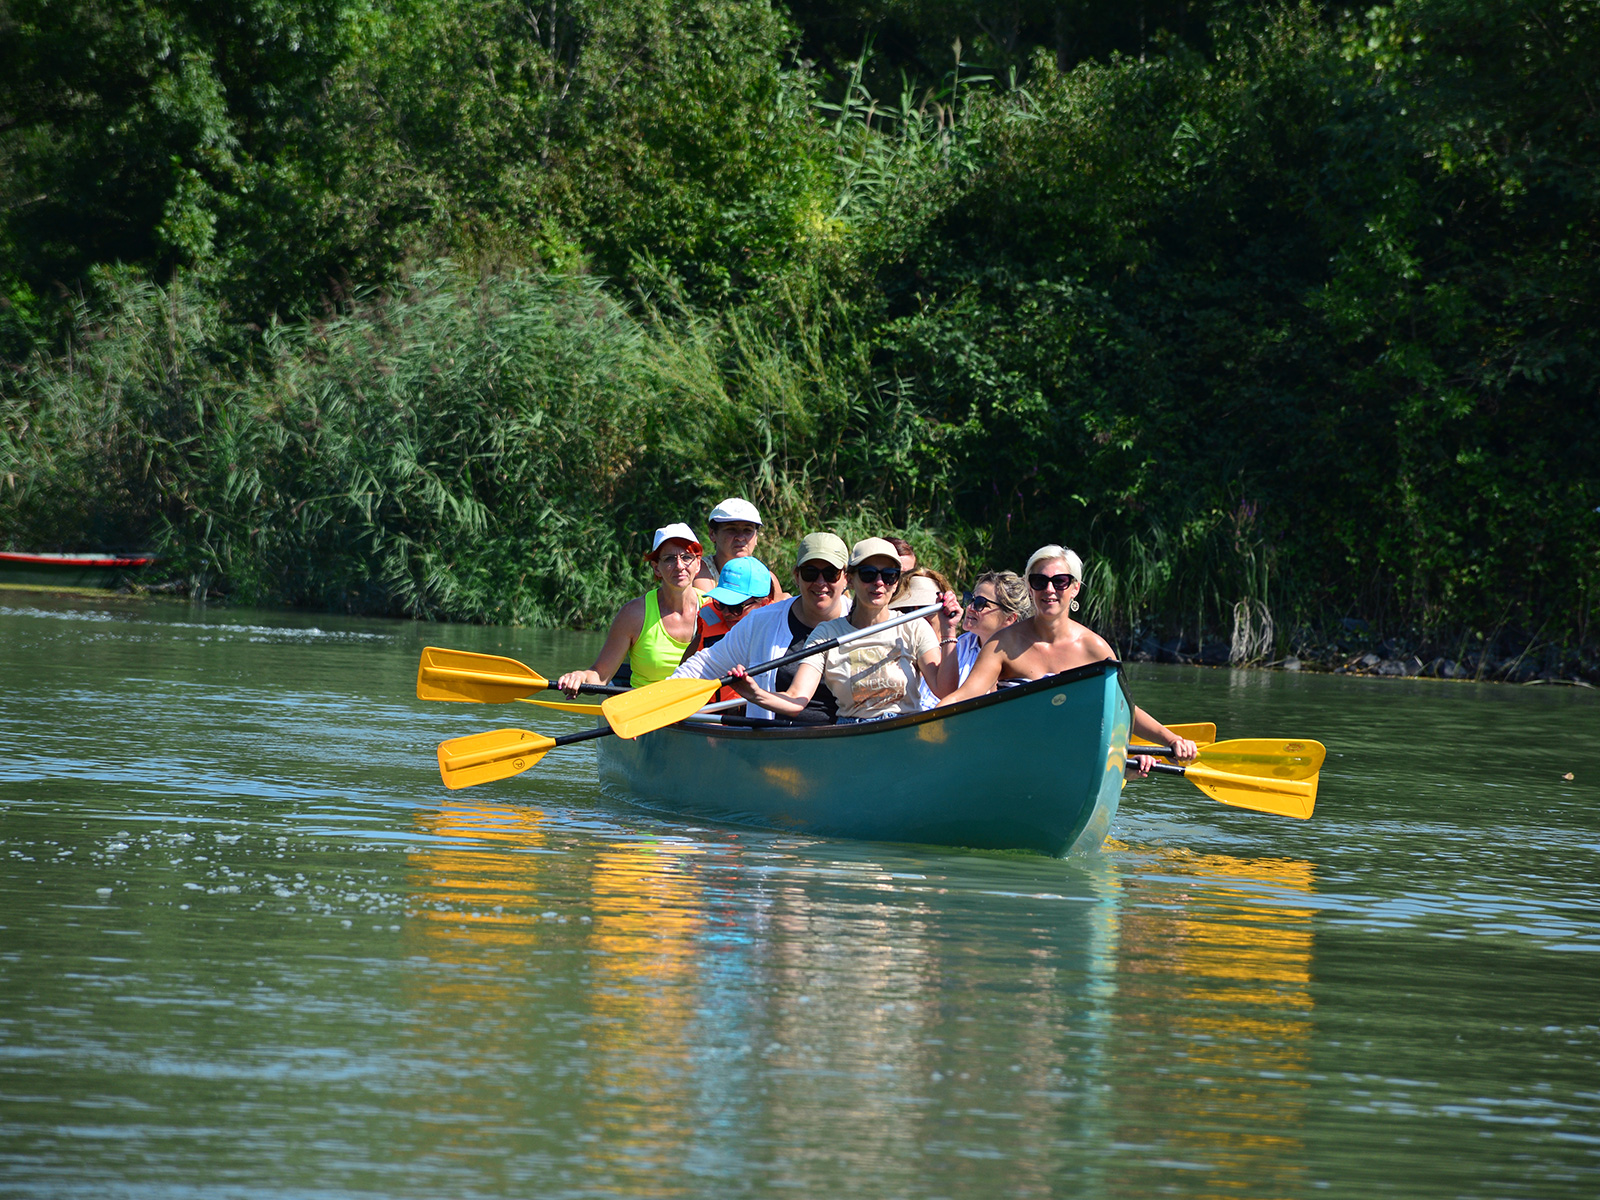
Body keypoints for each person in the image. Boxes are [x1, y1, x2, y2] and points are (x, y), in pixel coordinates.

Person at [937, 544, 1198, 773]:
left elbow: (1124, 711)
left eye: (1060, 581)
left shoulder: (1095, 649)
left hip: (1069, 757)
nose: (1049, 589)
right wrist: (931, 723)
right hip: (1010, 754)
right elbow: (967, 694)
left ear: (1074, 588)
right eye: (1039, 581)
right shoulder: (1003, 642)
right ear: (1030, 587)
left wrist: (1171, 740)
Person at [728, 538, 961, 724]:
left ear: (897, 582)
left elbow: (945, 690)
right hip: (851, 739)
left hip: (901, 732)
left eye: (889, 576)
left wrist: (950, 630)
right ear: (850, 579)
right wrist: (755, 693)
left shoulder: (914, 626)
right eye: (869, 574)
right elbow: (796, 700)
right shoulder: (826, 633)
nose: (879, 583)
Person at [672, 533, 853, 724]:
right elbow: (703, 666)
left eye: (831, 573)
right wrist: (655, 705)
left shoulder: (863, 624)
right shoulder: (762, 622)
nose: (820, 582)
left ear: (846, 578)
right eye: (810, 573)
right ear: (797, 576)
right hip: (771, 745)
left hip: (842, 744)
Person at [557, 524, 703, 693]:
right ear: (656, 567)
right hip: (644, 709)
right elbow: (600, 676)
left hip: (699, 710)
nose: (679, 566)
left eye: (686, 557)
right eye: (669, 558)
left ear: (698, 564)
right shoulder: (634, 614)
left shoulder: (715, 608)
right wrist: (581, 677)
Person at [932, 570, 1031, 699]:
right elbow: (927, 701)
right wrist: (948, 629)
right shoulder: (960, 647)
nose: (969, 608)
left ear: (1009, 619)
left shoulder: (1024, 659)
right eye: (971, 599)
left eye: (980, 603)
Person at [694, 497, 785, 601]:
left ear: (756, 538)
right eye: (731, 529)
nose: (740, 537)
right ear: (712, 534)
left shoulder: (768, 579)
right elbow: (712, 613)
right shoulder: (700, 571)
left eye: (747, 530)